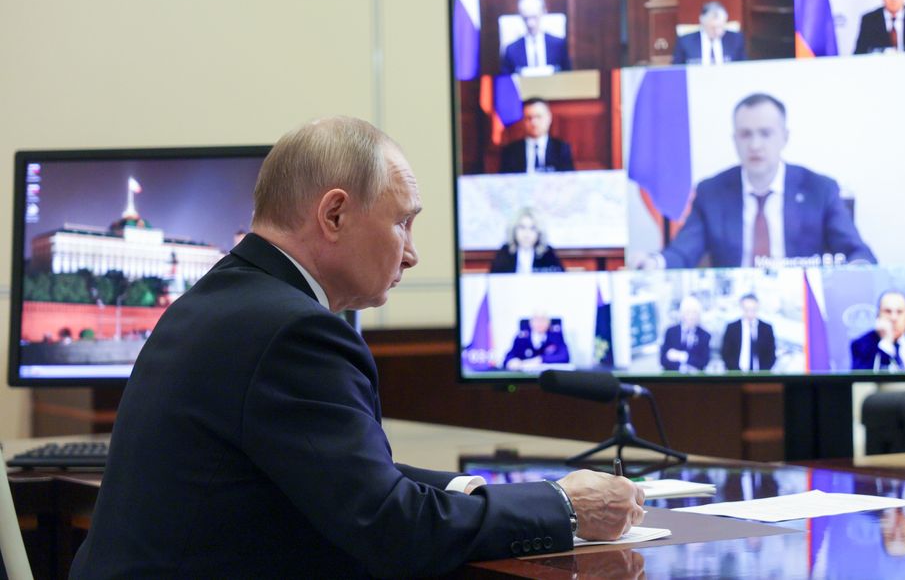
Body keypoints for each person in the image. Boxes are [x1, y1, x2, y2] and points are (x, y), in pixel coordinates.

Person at [69, 117, 643, 578]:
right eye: (403, 223)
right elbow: (395, 532)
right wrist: (562, 505)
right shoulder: (295, 332)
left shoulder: (220, 302)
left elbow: (346, 477)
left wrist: (469, 489)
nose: (412, 254)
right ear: (335, 214)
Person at [652, 92, 875, 269]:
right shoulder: (711, 192)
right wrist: (655, 263)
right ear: (735, 140)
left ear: (785, 137)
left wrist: (857, 270)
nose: (755, 145)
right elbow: (683, 252)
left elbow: (857, 252)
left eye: (765, 133)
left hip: (801, 300)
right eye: (746, 134)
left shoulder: (819, 189)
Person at [501, 0, 572, 75]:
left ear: (543, 12)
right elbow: (506, 78)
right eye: (526, 18)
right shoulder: (511, 49)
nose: (530, 24)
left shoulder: (558, 45)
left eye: (534, 17)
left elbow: (567, 74)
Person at [499, 97, 575, 173]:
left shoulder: (561, 149)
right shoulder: (510, 151)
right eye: (529, 118)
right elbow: (505, 178)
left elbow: (568, 177)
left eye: (538, 117)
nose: (534, 123)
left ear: (549, 118)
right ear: (523, 121)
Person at [490, 207, 564, 273]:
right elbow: (494, 280)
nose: (526, 234)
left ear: (539, 232)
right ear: (514, 230)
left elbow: (560, 280)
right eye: (522, 227)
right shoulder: (505, 252)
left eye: (532, 228)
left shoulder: (547, 253)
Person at [672, 1, 747, 65]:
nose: (717, 31)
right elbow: (677, 70)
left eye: (721, 27)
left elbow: (743, 68)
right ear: (702, 23)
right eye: (712, 28)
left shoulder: (736, 40)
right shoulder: (685, 42)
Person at [720, 294, 776, 372]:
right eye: (746, 309)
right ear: (741, 308)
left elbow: (771, 354)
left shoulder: (766, 328)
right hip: (736, 373)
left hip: (760, 374)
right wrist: (734, 370)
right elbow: (725, 352)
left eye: (753, 309)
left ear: (757, 308)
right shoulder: (732, 328)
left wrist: (763, 371)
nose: (750, 313)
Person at [504, 310, 570, 371]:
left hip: (548, 375)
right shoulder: (522, 337)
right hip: (526, 376)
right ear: (530, 322)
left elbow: (564, 356)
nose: (539, 323)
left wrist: (541, 359)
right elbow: (509, 356)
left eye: (542, 320)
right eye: (536, 320)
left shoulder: (555, 336)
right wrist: (511, 361)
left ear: (548, 323)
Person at [659, 295, 712, 371]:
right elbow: (663, 360)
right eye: (688, 312)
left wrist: (682, 356)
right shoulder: (670, 332)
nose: (691, 316)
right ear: (682, 314)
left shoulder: (705, 335)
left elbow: (703, 362)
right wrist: (682, 368)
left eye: (695, 312)